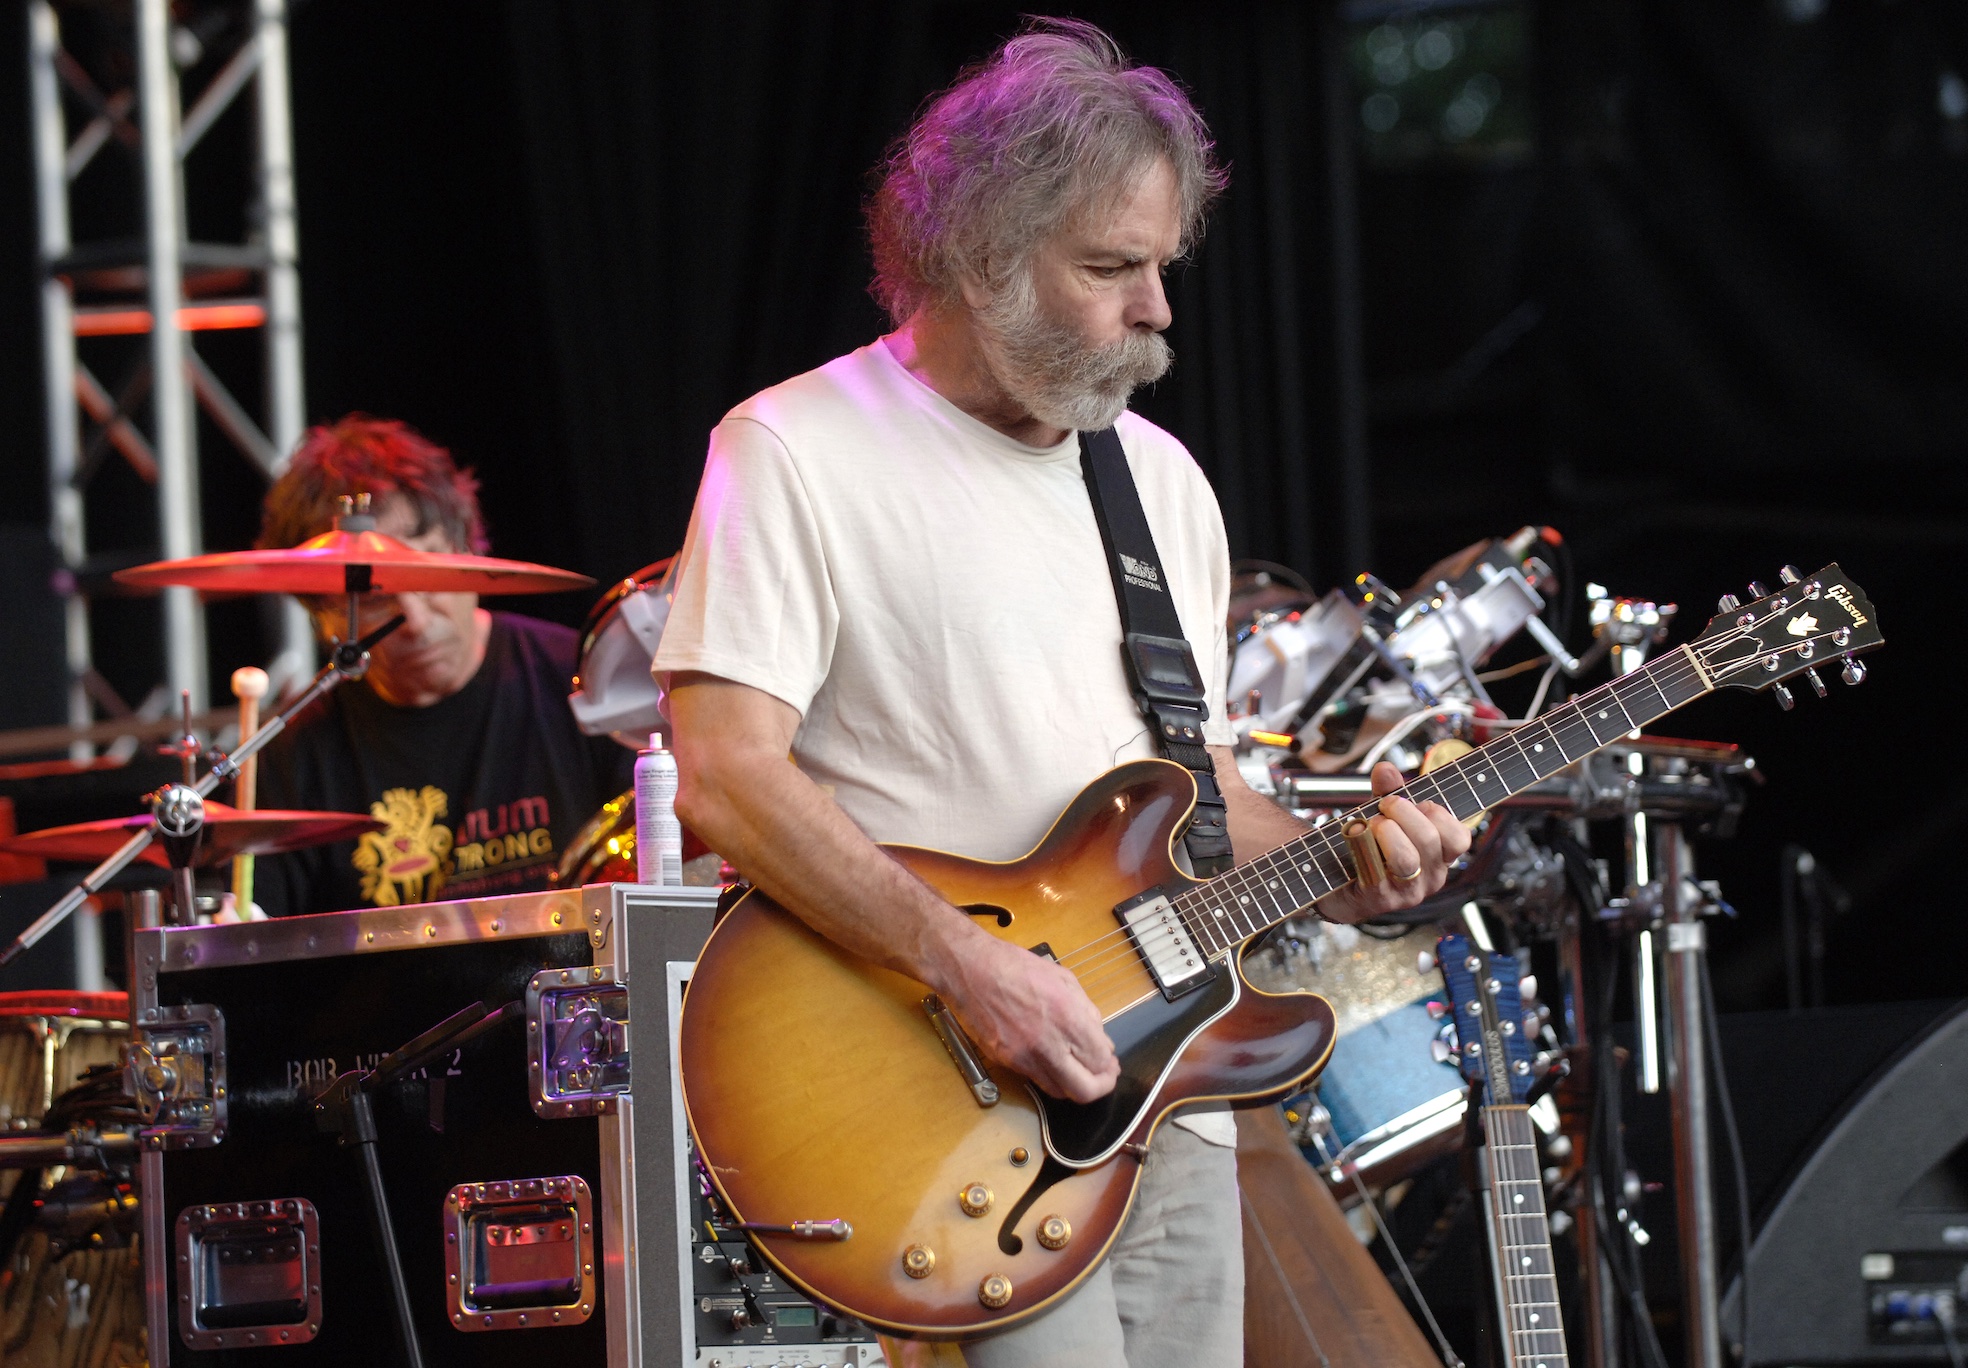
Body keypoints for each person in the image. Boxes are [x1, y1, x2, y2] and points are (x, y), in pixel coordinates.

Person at [656, 21, 1471, 1368]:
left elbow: (1193, 801)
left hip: (1173, 1095)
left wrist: (1354, 869)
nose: (1158, 308)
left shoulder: (1159, 483)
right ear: (978, 258)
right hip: (945, 1100)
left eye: (1163, 264)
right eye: (1112, 267)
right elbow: (729, 770)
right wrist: (968, 966)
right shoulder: (796, 450)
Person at [252, 415, 629, 916]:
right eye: (375, 594)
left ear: (468, 549)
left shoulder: (588, 683)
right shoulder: (291, 754)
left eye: (425, 566)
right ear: (323, 613)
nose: (414, 615)